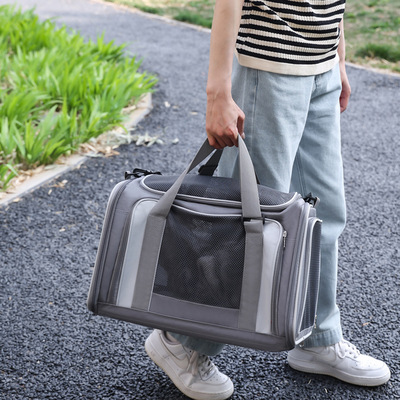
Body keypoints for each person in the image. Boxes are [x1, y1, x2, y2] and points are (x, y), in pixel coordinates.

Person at [144, 1, 391, 399]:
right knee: (249, 221)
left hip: (322, 68)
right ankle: (183, 342)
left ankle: (317, 337)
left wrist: (338, 58)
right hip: (268, 66)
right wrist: (218, 91)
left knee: (322, 216)